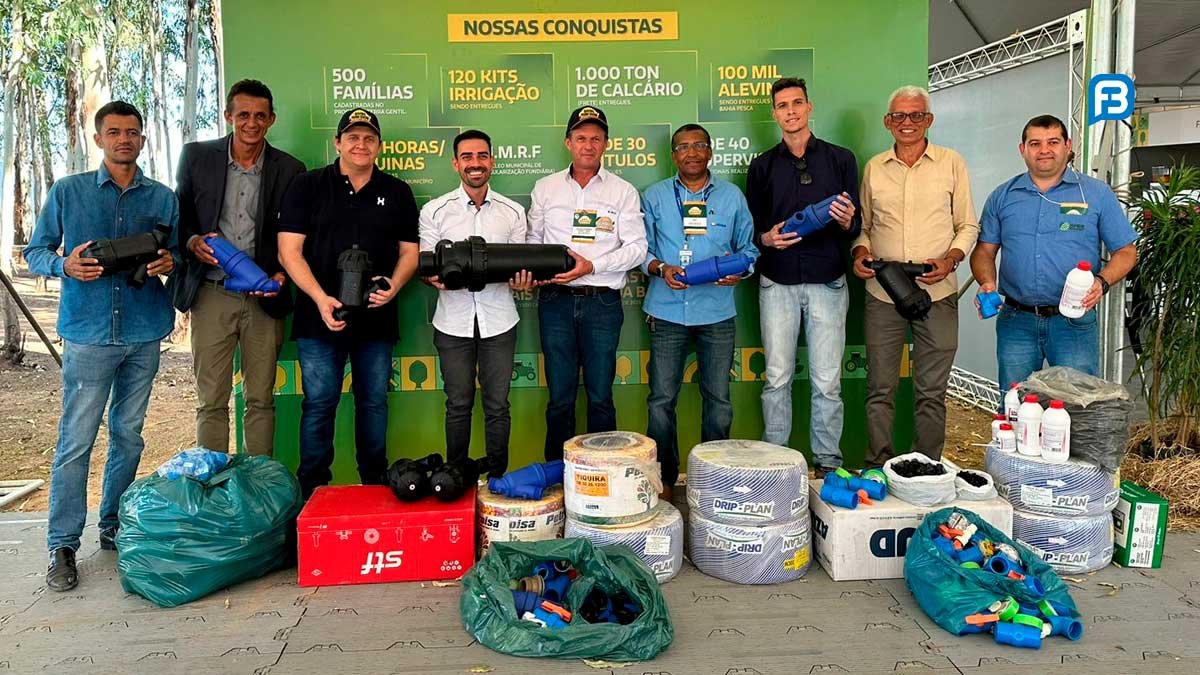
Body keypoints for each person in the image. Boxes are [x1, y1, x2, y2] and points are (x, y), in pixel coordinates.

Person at [24, 101, 179, 591]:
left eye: (132, 132)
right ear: (99, 139)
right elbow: (36, 251)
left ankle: (114, 527)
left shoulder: (163, 197)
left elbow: (174, 253)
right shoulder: (68, 191)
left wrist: (168, 263)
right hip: (88, 333)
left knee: (129, 436)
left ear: (143, 138)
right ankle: (63, 545)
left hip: (144, 331)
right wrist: (63, 266)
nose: (124, 140)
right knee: (76, 442)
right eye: (114, 132)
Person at [277, 108, 420, 498]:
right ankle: (311, 495)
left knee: (373, 405)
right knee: (319, 405)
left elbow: (410, 253)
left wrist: (393, 285)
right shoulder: (306, 186)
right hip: (319, 316)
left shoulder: (397, 192)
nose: (361, 144)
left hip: (376, 319)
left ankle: (374, 488)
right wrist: (320, 298)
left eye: (369, 138)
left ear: (379, 146)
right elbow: (289, 251)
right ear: (337, 142)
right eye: (352, 137)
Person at [171, 79, 305, 456]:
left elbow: (294, 235)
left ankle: (258, 486)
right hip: (212, 293)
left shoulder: (291, 169)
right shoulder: (196, 157)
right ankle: (210, 486)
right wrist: (191, 241)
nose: (251, 122)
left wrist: (281, 274)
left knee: (261, 398)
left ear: (272, 119)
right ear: (228, 116)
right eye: (243, 114)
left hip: (264, 297)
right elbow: (179, 218)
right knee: (211, 399)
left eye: (260, 116)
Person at [852, 85, 979, 466]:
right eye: (899, 116)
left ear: (929, 120)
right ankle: (879, 463)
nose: (907, 123)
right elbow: (864, 226)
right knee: (880, 387)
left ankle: (926, 467)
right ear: (888, 122)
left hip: (936, 289)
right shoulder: (874, 167)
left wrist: (952, 258)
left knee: (931, 390)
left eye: (916, 115)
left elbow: (967, 225)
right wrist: (860, 251)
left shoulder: (951, 162)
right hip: (883, 290)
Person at [970, 114, 1137, 394]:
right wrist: (986, 281)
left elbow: (1126, 251)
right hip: (1017, 322)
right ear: (1023, 149)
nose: (1044, 150)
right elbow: (984, 251)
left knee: (1079, 408)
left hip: (1073, 323)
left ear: (1067, 145)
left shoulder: (1095, 194)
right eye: (1035, 143)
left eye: (1053, 142)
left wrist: (1102, 281)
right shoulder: (1003, 196)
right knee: (1014, 404)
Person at [746, 77, 859, 476]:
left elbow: (855, 224)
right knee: (776, 378)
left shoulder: (840, 159)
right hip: (777, 281)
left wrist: (847, 221)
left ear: (809, 107)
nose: (790, 111)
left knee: (827, 381)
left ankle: (827, 463)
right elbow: (752, 231)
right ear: (774, 113)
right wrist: (766, 238)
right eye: (782, 105)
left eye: (797, 103)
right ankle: (776, 461)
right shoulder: (761, 166)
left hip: (828, 280)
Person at [641, 123, 759, 499]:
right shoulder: (655, 196)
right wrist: (660, 268)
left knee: (719, 400)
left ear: (710, 152)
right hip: (666, 310)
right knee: (661, 400)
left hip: (716, 313)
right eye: (682, 147)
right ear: (672, 155)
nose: (690, 153)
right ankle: (663, 479)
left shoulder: (731, 196)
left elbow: (750, 249)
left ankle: (714, 479)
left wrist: (740, 269)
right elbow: (637, 249)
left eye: (698, 146)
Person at [528, 105, 647, 460]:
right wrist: (531, 271)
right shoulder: (545, 188)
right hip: (555, 300)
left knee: (600, 395)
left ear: (606, 144)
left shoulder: (623, 191)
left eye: (596, 138)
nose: (588, 145)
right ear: (568, 142)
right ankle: (556, 479)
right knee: (560, 397)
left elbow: (638, 248)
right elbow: (533, 241)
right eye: (581, 138)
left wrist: (591, 265)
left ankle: (603, 475)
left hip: (603, 303)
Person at [419, 130, 533, 476]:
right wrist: (433, 276)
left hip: (499, 320)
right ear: (456, 163)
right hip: (452, 322)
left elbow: (520, 265)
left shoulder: (512, 212)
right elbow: (426, 263)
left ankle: (498, 480)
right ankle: (455, 479)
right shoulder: (435, 210)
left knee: (498, 405)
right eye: (467, 157)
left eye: (482, 156)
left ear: (492, 162)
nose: (475, 163)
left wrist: (523, 279)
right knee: (458, 405)